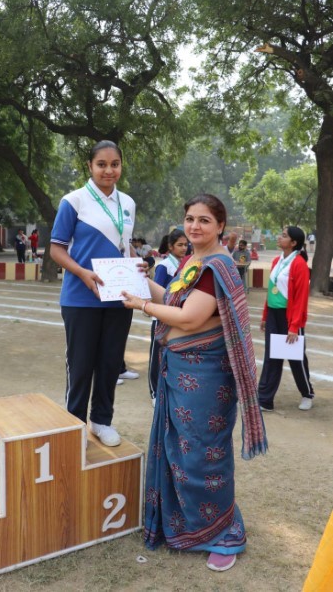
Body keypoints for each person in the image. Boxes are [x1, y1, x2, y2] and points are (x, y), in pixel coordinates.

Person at [121, 193, 267, 572]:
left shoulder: (217, 266)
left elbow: (189, 318)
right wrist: (143, 283)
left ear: (220, 226)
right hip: (179, 370)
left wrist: (142, 306)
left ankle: (224, 533)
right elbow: (173, 300)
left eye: (204, 220)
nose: (194, 226)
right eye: (189, 219)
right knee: (179, 449)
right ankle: (184, 525)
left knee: (203, 452)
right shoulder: (192, 261)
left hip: (206, 376)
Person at [50, 140, 135, 448]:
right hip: (80, 298)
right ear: (90, 166)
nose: (108, 170)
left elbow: (124, 247)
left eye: (115, 164)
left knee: (110, 363)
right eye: (101, 164)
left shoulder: (128, 203)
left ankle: (102, 421)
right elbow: (56, 249)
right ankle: (75, 425)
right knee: (81, 365)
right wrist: (83, 272)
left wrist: (137, 267)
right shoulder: (73, 201)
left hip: (118, 298)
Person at [258, 226, 314, 412]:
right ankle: (265, 400)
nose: (279, 237)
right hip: (273, 315)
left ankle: (307, 394)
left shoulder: (299, 264)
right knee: (271, 356)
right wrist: (265, 316)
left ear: (293, 243)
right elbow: (271, 290)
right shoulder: (277, 261)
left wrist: (294, 326)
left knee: (295, 358)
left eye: (283, 236)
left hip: (289, 317)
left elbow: (301, 298)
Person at [148, 229, 189, 405]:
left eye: (186, 245)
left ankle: (169, 390)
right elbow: (156, 289)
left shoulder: (187, 265)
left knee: (173, 355)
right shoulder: (164, 266)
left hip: (176, 317)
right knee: (156, 356)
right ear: (171, 246)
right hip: (161, 317)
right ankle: (154, 393)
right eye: (180, 245)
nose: (184, 248)